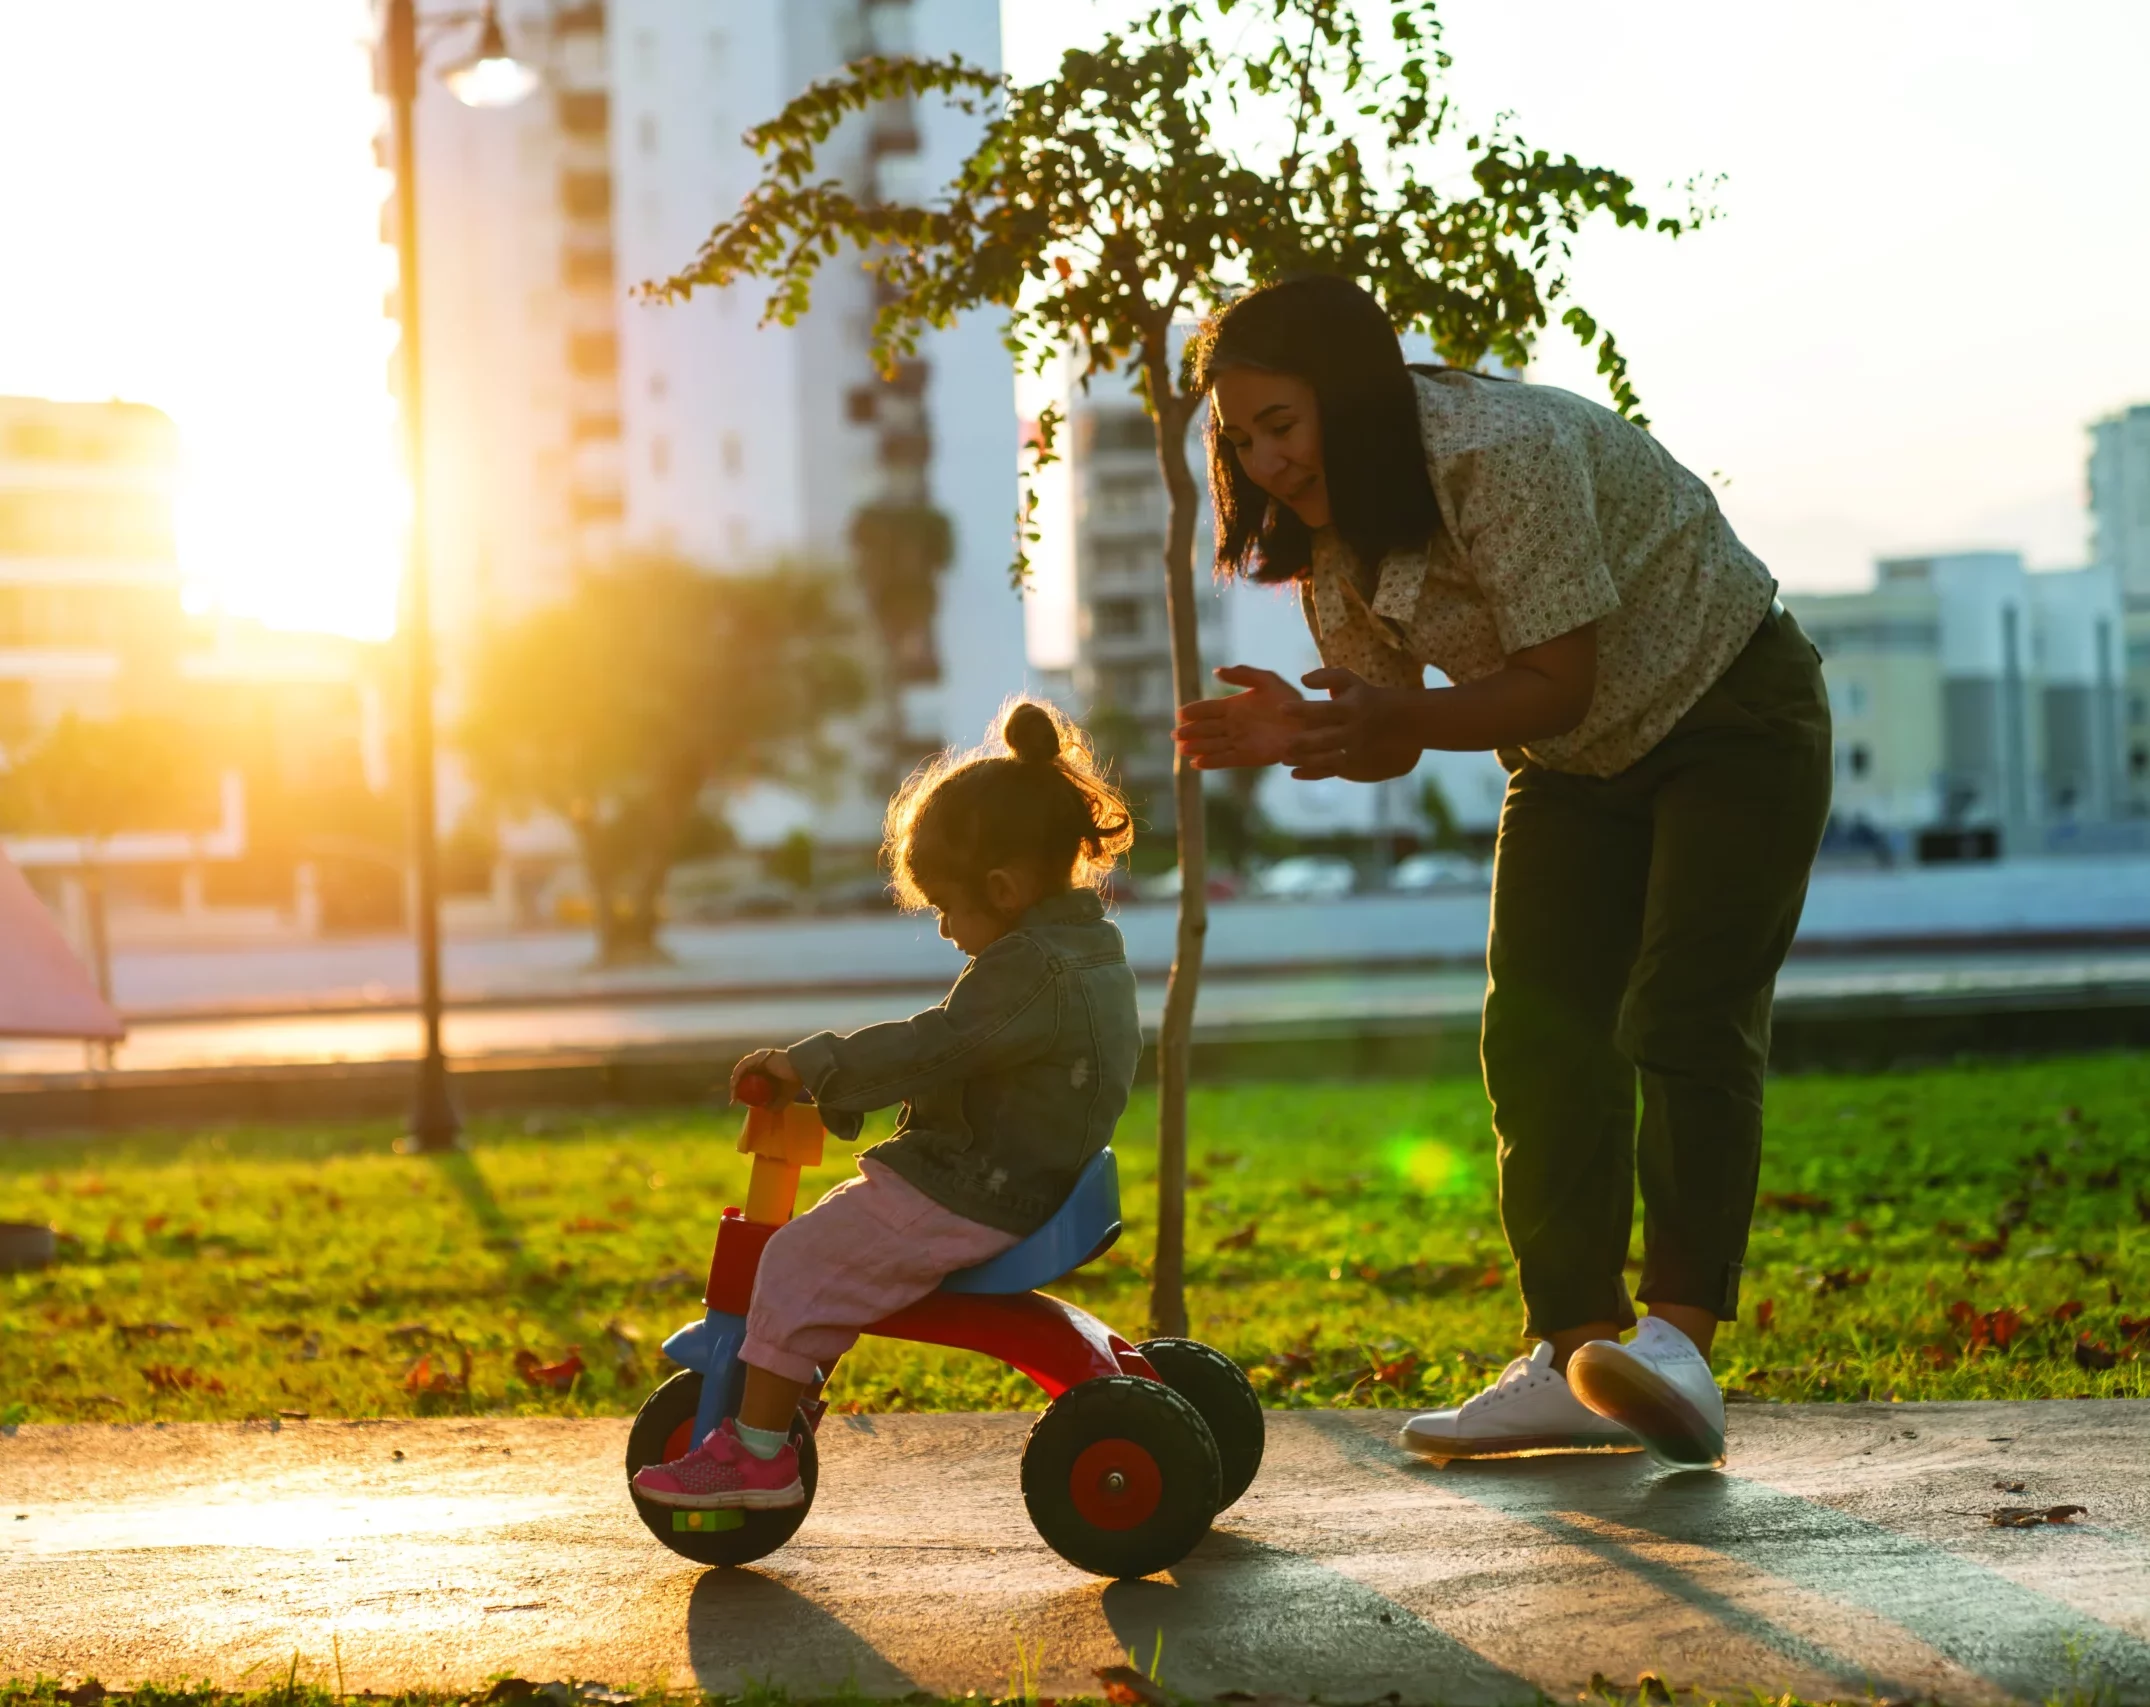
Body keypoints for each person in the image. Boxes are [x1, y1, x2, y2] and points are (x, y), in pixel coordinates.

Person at [1174, 275, 1831, 1470]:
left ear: (1351, 393)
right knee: (1532, 1032)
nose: (1264, 460)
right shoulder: (1334, 542)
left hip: (1727, 709)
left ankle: (1677, 1346)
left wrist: (1389, 718)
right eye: (1240, 437)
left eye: (1282, 422)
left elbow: (1556, 678)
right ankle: (1570, 1351)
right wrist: (1315, 737)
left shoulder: (1498, 450)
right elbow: (1397, 729)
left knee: (1680, 1013)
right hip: (1576, 761)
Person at [632, 701, 1141, 1510]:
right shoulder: (1087, 948)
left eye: (948, 904)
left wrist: (814, 1065)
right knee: (833, 1235)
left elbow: (934, 1044)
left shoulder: (1029, 971)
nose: (943, 928)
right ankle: (782, 1383)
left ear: (1003, 889)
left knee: (794, 1260)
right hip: (1022, 1178)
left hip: (983, 1190)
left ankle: (757, 1456)